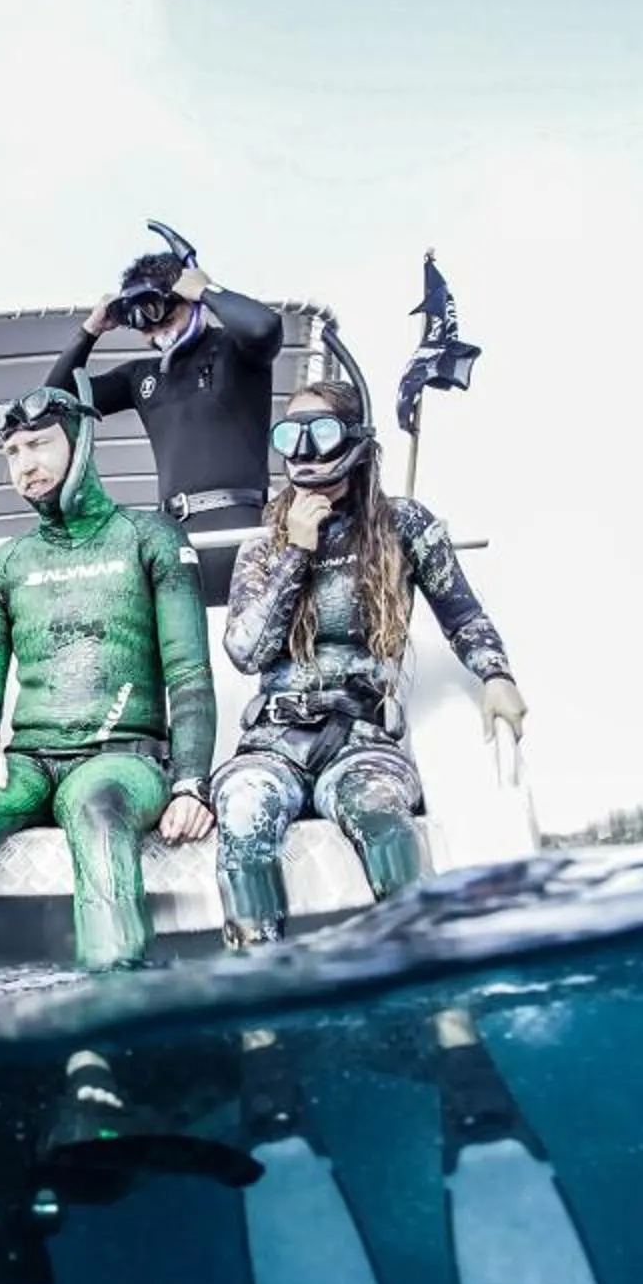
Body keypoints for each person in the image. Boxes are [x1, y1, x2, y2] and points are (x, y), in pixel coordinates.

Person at [0, 380, 215, 987]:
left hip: (124, 759)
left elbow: (190, 676)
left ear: (82, 442)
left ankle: (114, 1011)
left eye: (38, 445)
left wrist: (191, 784)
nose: (25, 466)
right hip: (27, 762)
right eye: (12, 453)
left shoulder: (152, 538)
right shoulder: (6, 563)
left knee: (97, 811)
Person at [212, 379, 526, 943]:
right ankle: (262, 1004)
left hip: (361, 740)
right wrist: (296, 554)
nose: (305, 450)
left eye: (322, 432)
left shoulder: (404, 525)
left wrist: (496, 674)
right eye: (291, 435)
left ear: (355, 439)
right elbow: (246, 651)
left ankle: (429, 986)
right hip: (271, 743)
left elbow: (462, 614)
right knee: (240, 812)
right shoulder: (261, 546)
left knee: (383, 816)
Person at [44, 239, 288, 527]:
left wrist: (207, 290)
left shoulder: (236, 349)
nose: (160, 333)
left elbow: (264, 327)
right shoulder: (140, 376)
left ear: (189, 300)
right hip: (174, 534)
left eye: (167, 319)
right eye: (147, 329)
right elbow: (54, 401)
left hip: (243, 525)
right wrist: (90, 330)